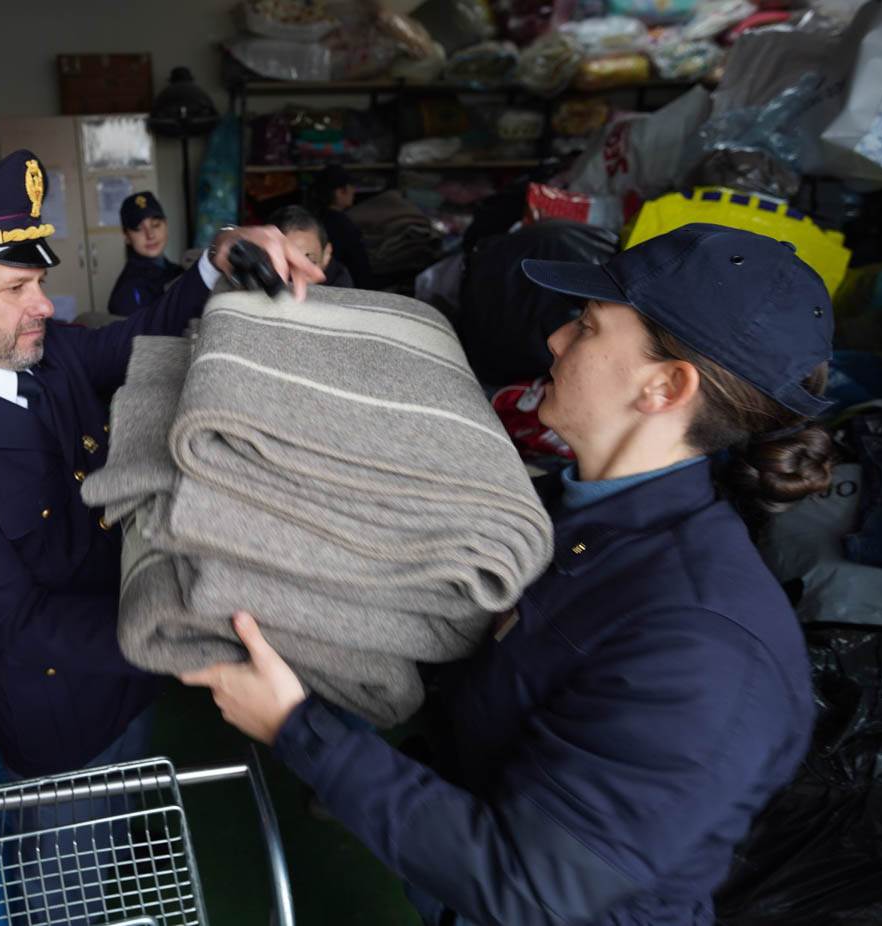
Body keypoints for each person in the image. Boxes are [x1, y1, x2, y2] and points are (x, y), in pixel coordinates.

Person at [182, 224, 835, 925]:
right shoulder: (574, 515)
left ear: (665, 385)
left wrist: (296, 726)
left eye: (586, 326)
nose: (556, 339)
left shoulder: (706, 650)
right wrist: (268, 277)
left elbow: (527, 884)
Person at [0, 149, 321, 779]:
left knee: (137, 822)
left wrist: (221, 255)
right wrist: (190, 631)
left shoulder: (55, 355)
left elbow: (145, 332)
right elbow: (19, 627)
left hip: (138, 679)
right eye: (16, 288)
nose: (43, 305)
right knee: (78, 864)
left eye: (40, 284)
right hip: (67, 717)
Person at [107, 190, 182, 317]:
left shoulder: (178, 271)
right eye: (138, 229)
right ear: (126, 236)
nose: (150, 235)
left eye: (156, 225)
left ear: (166, 225)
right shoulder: (128, 290)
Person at [313, 164, 373, 289]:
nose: (354, 191)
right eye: (351, 187)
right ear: (340, 192)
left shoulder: (314, 221)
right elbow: (360, 269)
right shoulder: (343, 225)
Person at [268, 204, 354, 288]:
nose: (297, 277)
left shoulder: (339, 283)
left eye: (309, 263)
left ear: (326, 255)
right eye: (287, 263)